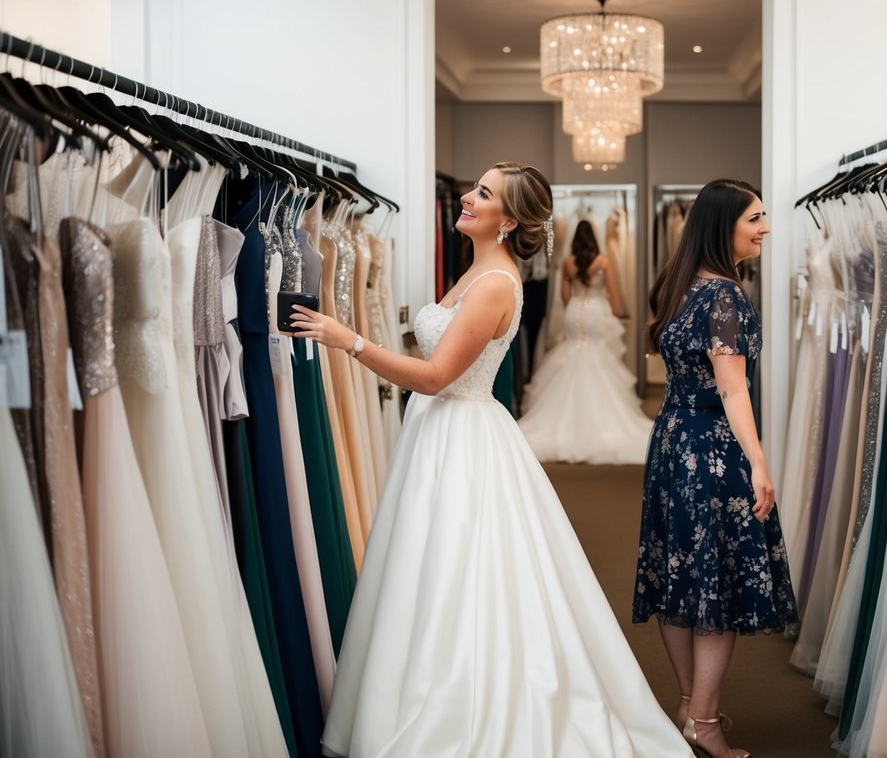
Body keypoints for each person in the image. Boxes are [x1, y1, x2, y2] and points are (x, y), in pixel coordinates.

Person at [285, 162, 690, 757]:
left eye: (482, 194)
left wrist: (349, 340)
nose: (467, 200)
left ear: (509, 220)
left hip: (462, 436)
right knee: (428, 572)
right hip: (441, 433)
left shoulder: (497, 282)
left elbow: (436, 376)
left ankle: (461, 701)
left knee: (461, 570)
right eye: (474, 189)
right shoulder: (479, 271)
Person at [633, 179, 797, 758]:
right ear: (723, 225)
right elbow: (733, 391)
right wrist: (759, 463)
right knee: (716, 581)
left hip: (672, 441)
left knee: (680, 572)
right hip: (712, 448)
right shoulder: (726, 296)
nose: (766, 227)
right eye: (755, 217)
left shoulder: (679, 287)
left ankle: (687, 705)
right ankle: (704, 724)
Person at [517, 219, 654, 465]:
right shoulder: (602, 261)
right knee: (596, 355)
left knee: (571, 352)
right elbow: (612, 294)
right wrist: (618, 313)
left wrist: (575, 300)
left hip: (575, 310)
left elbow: (564, 295)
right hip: (595, 311)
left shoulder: (569, 262)